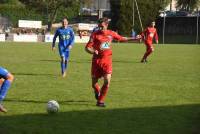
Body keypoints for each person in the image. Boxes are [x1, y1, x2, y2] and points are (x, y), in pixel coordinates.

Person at [85, 17, 134, 107]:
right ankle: (98, 91)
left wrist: (134, 38)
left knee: (107, 81)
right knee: (94, 84)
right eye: (99, 26)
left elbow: (122, 38)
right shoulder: (95, 34)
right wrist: (93, 51)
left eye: (101, 26)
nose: (100, 27)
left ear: (106, 25)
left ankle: (100, 101)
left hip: (107, 61)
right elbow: (87, 48)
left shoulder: (111, 33)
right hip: (96, 61)